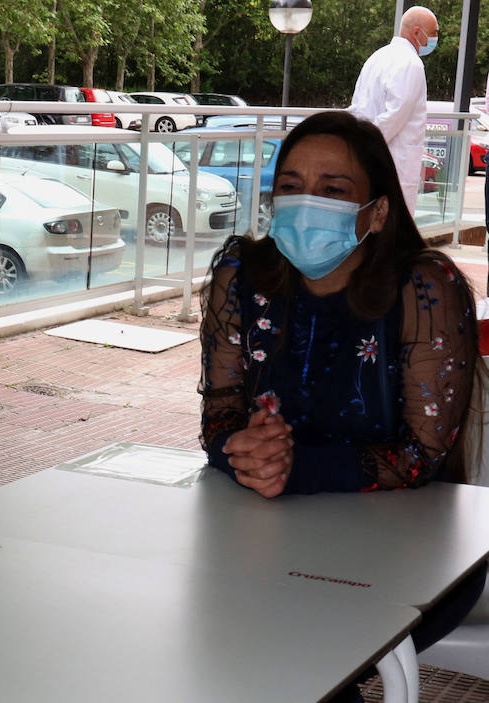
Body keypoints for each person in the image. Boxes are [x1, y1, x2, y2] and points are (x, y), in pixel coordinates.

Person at [198, 111, 483, 699]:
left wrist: (290, 469)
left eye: (333, 190)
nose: (308, 204)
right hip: (257, 535)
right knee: (218, 631)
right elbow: (219, 419)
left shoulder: (424, 288)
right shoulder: (242, 275)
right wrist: (240, 453)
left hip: (405, 551)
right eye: (292, 187)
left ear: (377, 212)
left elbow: (417, 459)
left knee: (292, 645)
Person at [349, 5, 438, 210]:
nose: (434, 40)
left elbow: (358, 107)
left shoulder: (377, 57)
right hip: (393, 161)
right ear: (417, 32)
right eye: (433, 34)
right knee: (391, 225)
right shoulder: (411, 64)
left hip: (372, 157)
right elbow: (395, 116)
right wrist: (369, 145)